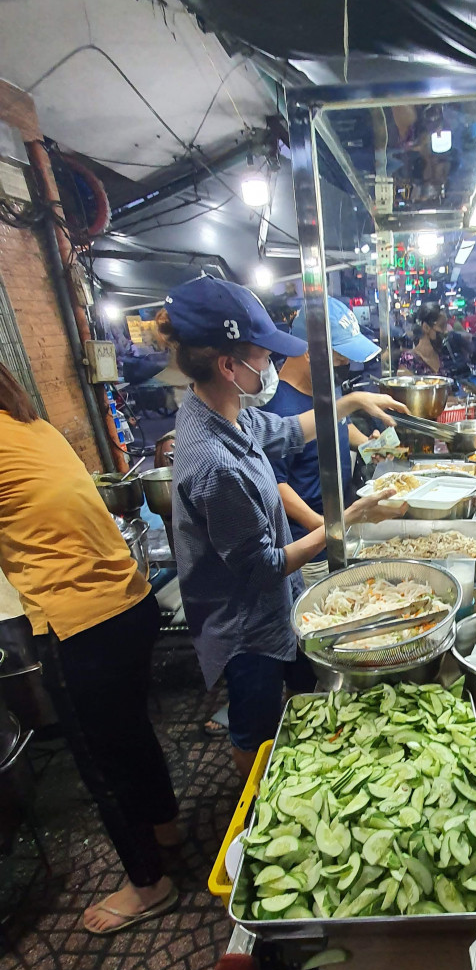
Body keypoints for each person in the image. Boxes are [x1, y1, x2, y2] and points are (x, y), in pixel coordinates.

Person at [162, 277, 407, 779]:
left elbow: (288, 430)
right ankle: (253, 811)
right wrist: (344, 521)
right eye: (264, 356)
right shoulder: (213, 462)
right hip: (244, 627)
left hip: (278, 609)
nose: (272, 367)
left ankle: (305, 768)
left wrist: (352, 401)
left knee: (305, 690)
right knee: (254, 730)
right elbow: (263, 568)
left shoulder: (225, 414)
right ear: (229, 365)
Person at [0, 364, 179, 935]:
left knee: (102, 765)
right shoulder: (30, 425)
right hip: (131, 603)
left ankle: (149, 884)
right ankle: (165, 825)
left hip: (81, 625)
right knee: (130, 730)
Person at [267, 298, 381, 587]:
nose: (343, 365)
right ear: (309, 352)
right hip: (310, 549)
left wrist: (367, 444)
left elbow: (341, 426)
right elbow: (277, 487)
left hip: (338, 525)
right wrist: (325, 528)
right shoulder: (278, 408)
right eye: (339, 358)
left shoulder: (323, 384)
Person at [398, 302, 448, 375]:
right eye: (441, 326)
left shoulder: (444, 358)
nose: (445, 331)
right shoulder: (409, 360)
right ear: (426, 327)